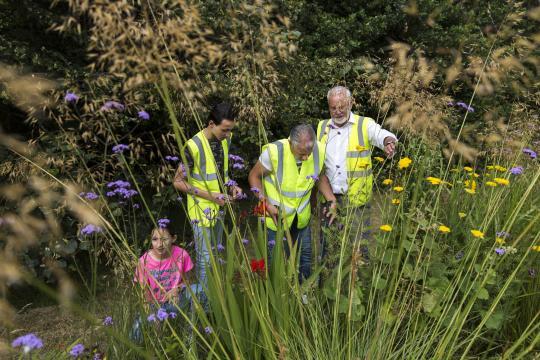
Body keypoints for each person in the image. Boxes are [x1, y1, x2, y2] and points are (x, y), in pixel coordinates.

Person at [316, 85, 397, 261]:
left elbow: (381, 135)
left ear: (350, 104)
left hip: (356, 201)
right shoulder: (321, 126)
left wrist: (388, 142)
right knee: (328, 249)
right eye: (333, 107)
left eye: (341, 107)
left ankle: (358, 285)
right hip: (329, 198)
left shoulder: (364, 124)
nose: (337, 111)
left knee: (360, 249)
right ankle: (328, 286)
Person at [173, 102, 243, 303]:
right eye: (225, 130)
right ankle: (203, 306)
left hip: (220, 209)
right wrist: (211, 197)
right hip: (201, 211)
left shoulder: (225, 141)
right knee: (205, 261)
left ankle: (215, 299)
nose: (228, 134)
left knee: (216, 256)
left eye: (230, 130)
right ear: (211, 124)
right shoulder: (193, 146)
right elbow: (177, 182)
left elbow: (222, 173)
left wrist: (232, 186)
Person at [248, 124, 336, 282]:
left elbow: (319, 176)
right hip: (276, 218)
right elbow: (254, 177)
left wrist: (331, 199)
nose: (306, 157)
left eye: (309, 152)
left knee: (305, 260)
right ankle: (277, 298)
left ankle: (304, 297)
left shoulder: (319, 150)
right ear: (290, 143)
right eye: (302, 153)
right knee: (276, 263)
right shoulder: (274, 152)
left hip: (302, 217)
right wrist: (265, 204)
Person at [131, 226, 197, 342]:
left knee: (199, 290)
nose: (160, 244)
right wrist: (153, 315)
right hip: (154, 304)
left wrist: (177, 289)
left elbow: (189, 280)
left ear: (173, 238)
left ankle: (191, 336)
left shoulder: (182, 254)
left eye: (164, 239)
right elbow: (144, 293)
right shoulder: (143, 261)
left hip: (176, 300)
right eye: (155, 239)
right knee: (136, 330)